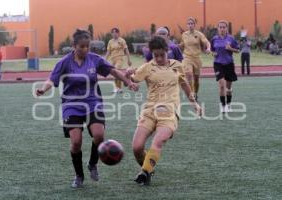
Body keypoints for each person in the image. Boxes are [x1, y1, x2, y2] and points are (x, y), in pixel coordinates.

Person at [35, 29, 138, 188]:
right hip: (71, 105)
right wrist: (43, 89)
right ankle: (79, 175)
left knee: (99, 135)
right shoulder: (64, 62)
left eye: (87, 46)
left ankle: (92, 164)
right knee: (76, 142)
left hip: (92, 102)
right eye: (81, 46)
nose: (85, 49)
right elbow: (51, 79)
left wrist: (128, 81)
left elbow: (113, 71)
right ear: (74, 46)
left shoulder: (95, 59)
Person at [126, 36, 202, 185]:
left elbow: (185, 86)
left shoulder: (177, 66)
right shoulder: (147, 67)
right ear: (152, 54)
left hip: (169, 112)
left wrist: (195, 104)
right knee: (137, 147)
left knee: (158, 141)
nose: (159, 58)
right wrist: (128, 76)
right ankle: (148, 168)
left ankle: (145, 172)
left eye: (162, 55)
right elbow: (131, 80)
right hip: (149, 111)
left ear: (168, 51)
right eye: (156, 55)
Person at [211, 20, 240, 113]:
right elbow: (212, 50)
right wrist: (213, 53)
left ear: (226, 28)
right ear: (218, 28)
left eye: (224, 27)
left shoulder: (231, 38)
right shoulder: (214, 39)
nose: (222, 29)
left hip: (229, 64)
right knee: (222, 85)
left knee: (228, 88)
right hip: (218, 64)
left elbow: (238, 50)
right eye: (220, 27)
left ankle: (229, 104)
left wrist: (230, 48)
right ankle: (223, 106)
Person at [180, 17, 211, 101]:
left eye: (192, 24)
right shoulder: (184, 35)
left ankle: (196, 92)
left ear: (194, 25)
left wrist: (208, 48)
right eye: (188, 24)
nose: (190, 25)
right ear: (187, 25)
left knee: (196, 79)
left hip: (196, 58)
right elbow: (182, 44)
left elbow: (206, 42)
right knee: (188, 75)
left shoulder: (199, 34)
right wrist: (177, 46)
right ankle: (192, 94)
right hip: (187, 58)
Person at [105, 28, 132, 93]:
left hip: (120, 59)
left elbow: (126, 50)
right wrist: (104, 60)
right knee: (115, 74)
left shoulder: (122, 41)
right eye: (113, 32)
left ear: (118, 33)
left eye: (115, 32)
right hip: (113, 60)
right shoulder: (110, 42)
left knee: (116, 70)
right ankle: (118, 88)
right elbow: (108, 52)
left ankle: (119, 87)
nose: (114, 34)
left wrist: (129, 59)